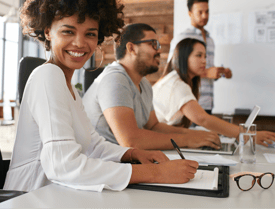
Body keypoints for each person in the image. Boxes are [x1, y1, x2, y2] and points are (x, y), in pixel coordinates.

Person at [3, 0, 198, 193]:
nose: (80, 43)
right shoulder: (48, 76)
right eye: (68, 31)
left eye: (90, 34)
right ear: (48, 31)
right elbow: (63, 165)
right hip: (31, 197)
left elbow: (92, 144)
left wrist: (132, 153)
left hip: (59, 194)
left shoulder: (69, 86)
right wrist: (157, 173)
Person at [83, 23, 221, 150]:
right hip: (101, 165)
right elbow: (131, 141)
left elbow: (153, 127)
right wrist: (187, 139)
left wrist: (194, 135)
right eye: (153, 44)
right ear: (131, 48)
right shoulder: (114, 80)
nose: (159, 51)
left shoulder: (144, 84)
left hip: (122, 161)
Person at [153, 38, 275, 146]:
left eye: (205, 56)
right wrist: (247, 135)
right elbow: (203, 119)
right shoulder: (177, 85)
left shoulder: (176, 79)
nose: (204, 61)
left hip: (162, 139)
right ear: (184, 57)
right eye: (198, 55)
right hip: (156, 141)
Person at [167, 0, 232, 115]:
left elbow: (207, 71)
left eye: (207, 12)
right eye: (200, 12)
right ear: (190, 13)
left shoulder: (210, 40)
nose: (205, 16)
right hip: (188, 102)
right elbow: (172, 69)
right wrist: (206, 72)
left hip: (208, 103)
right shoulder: (183, 38)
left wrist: (222, 73)